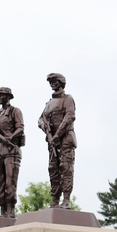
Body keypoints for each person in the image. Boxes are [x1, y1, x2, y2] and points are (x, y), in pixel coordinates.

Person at [37, 73, 76, 209]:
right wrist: (45, 129)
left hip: (65, 139)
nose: (52, 83)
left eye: (54, 81)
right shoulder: (48, 104)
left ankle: (66, 199)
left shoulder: (67, 99)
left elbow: (69, 117)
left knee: (66, 168)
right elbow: (40, 119)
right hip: (52, 142)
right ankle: (55, 199)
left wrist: (57, 135)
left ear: (61, 82)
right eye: (50, 82)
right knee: (53, 169)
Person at [0, 86, 24, 218]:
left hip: (11, 151)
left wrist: (11, 137)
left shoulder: (14, 111)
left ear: (8, 97)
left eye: (1, 95)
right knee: (0, 182)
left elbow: (20, 128)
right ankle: (2, 210)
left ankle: (10, 209)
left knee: (10, 182)